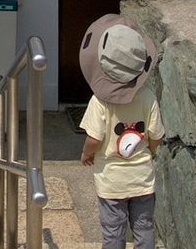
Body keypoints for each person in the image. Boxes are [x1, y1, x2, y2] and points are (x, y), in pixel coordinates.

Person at [78, 14, 165, 249]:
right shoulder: (147, 97)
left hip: (111, 182)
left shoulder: (100, 102)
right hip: (142, 179)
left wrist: (87, 154)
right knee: (144, 227)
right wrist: (150, 153)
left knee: (113, 231)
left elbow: (94, 138)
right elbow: (156, 136)